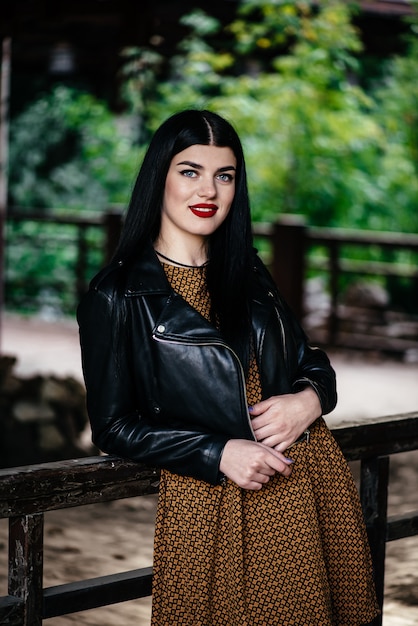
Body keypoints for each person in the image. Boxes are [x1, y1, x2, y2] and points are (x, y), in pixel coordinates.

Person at [77, 109, 379, 625]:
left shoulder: (248, 271)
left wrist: (307, 402)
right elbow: (113, 426)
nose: (208, 192)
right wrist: (217, 452)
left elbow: (313, 365)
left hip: (309, 487)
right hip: (217, 499)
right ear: (160, 178)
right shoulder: (117, 295)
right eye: (190, 171)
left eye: (225, 176)